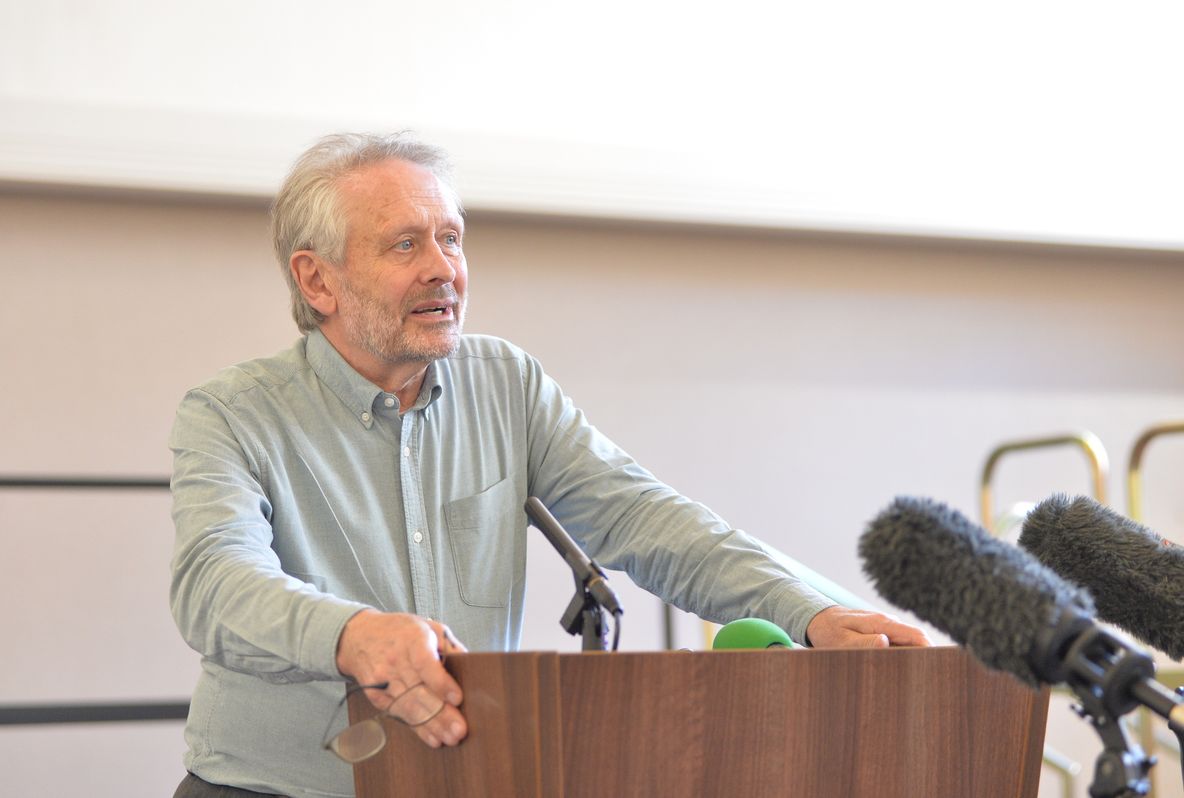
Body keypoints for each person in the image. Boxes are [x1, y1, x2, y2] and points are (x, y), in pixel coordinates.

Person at [168, 132, 929, 798]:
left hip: (462, 780)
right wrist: (354, 636)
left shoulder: (506, 383)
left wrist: (812, 612)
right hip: (274, 790)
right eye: (405, 245)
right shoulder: (232, 413)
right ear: (316, 280)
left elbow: (645, 518)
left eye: (453, 239)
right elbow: (214, 584)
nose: (444, 270)